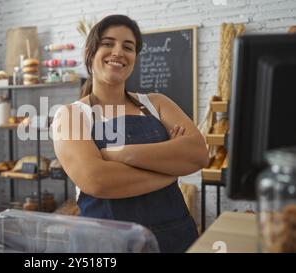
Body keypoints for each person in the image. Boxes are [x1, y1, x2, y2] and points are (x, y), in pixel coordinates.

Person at [52, 14, 209, 253]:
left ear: (135, 57)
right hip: (106, 246)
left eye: (128, 47)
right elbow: (97, 180)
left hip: (174, 240)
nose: (118, 52)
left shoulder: (157, 103)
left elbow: (198, 154)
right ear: (90, 51)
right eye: (108, 43)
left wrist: (119, 154)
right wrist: (170, 169)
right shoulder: (72, 115)